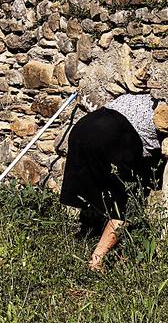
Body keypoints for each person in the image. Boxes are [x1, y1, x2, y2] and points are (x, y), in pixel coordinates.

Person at [59, 91, 162, 271]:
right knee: (125, 204)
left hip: (84, 126)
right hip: (113, 137)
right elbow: (152, 152)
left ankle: (91, 230)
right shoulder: (161, 109)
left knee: (96, 184)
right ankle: (97, 260)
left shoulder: (135, 96)